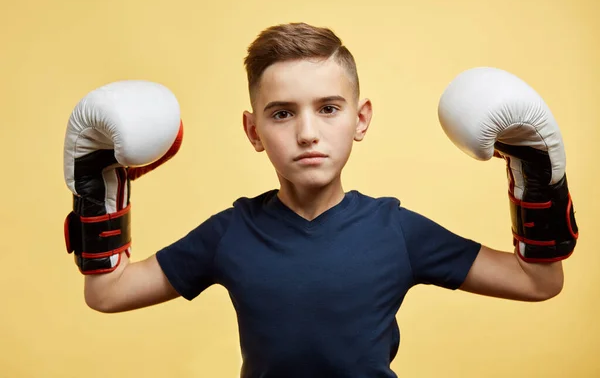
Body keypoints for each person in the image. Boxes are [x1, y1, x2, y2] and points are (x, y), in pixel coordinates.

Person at [63, 22, 579, 378]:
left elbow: (538, 281)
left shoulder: (395, 230)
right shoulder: (231, 232)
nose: (308, 132)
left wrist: (533, 172)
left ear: (361, 119)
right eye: (282, 113)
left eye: (329, 108)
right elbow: (108, 293)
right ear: (253, 130)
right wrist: (98, 186)